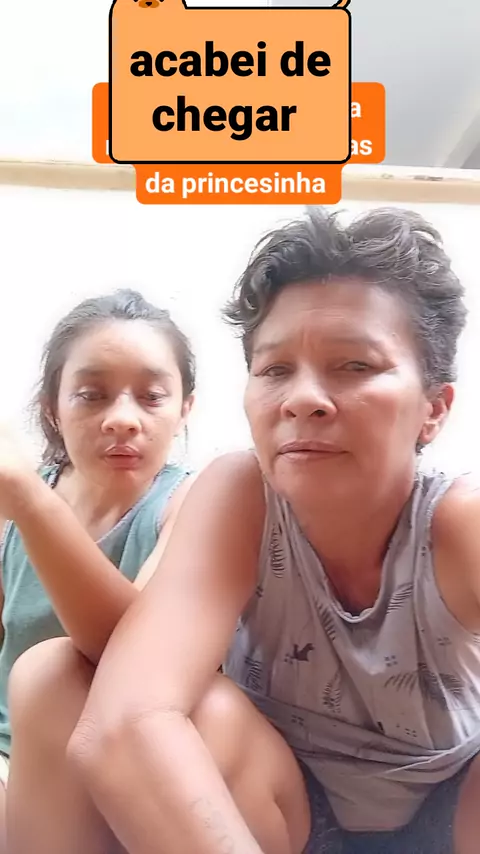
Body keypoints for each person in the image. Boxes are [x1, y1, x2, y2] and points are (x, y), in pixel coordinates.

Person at [7, 207, 480, 854]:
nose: (302, 398)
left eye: (354, 366)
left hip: (445, 808)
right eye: (275, 369)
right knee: (58, 676)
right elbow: (125, 723)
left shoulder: (457, 520)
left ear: (435, 408)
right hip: (284, 807)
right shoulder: (240, 495)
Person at [0, 288, 195, 851]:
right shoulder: (17, 507)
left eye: (152, 397)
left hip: (120, 773)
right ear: (52, 409)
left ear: (185, 408)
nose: (123, 420)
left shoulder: (187, 504)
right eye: (91, 396)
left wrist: (28, 502)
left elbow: (136, 657)